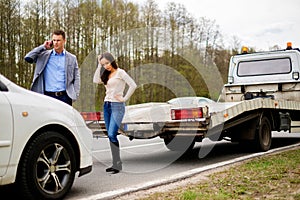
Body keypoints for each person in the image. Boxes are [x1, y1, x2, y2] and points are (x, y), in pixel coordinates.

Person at [93, 52, 137, 174]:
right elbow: (96, 80)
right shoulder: (106, 74)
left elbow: (133, 85)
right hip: (106, 105)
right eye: (103, 64)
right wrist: (98, 66)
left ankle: (117, 163)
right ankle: (115, 163)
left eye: (107, 63)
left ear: (112, 60)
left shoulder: (120, 72)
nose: (106, 66)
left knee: (112, 133)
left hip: (117, 106)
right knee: (110, 134)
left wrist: (124, 98)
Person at [24, 29, 80, 106]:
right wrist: (43, 46)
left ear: (64, 41)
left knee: (64, 118)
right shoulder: (43, 55)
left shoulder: (72, 58)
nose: (56, 43)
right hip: (47, 96)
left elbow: (76, 77)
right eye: (54, 40)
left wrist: (75, 94)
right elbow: (28, 58)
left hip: (65, 97)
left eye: (58, 40)